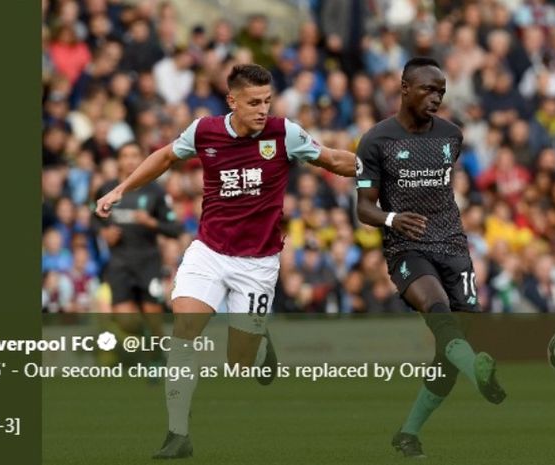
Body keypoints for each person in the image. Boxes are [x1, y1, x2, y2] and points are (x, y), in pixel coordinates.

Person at [95, 63, 355, 459]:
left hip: (258, 262)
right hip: (210, 251)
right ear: (232, 100)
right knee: (185, 328)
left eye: (267, 100)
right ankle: (177, 434)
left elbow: (334, 160)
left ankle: (260, 346)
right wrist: (119, 190)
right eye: (253, 102)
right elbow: (165, 157)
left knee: (239, 363)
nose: (263, 109)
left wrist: (379, 170)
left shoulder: (285, 133)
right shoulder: (204, 131)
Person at [356, 57, 506, 459]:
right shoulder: (376, 140)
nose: (436, 98)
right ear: (405, 88)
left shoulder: (451, 136)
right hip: (406, 246)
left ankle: (408, 432)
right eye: (428, 89)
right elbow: (363, 208)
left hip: (454, 246)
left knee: (449, 349)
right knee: (439, 315)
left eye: (441, 91)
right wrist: (393, 218)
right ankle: (480, 376)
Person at [94, 141, 182, 363]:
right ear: (118, 160)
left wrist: (151, 222)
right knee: (126, 320)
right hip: (120, 263)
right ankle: (147, 342)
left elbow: (174, 229)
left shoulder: (155, 191)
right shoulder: (107, 189)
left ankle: (158, 359)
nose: (130, 160)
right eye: (125, 156)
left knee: (153, 318)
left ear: (142, 160)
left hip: (148, 262)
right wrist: (104, 232)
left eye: (135, 155)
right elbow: (93, 218)